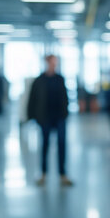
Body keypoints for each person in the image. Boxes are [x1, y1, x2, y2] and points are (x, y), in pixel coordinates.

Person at [27, 55, 73, 186]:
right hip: (45, 118)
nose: (54, 65)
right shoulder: (39, 80)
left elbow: (65, 98)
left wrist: (65, 113)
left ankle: (63, 174)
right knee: (45, 145)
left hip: (59, 117)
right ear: (46, 63)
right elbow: (32, 99)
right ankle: (43, 173)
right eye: (52, 62)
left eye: (55, 63)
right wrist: (32, 117)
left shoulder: (60, 79)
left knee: (62, 145)